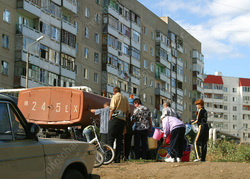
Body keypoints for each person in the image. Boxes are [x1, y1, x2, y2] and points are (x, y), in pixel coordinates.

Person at [108, 86, 129, 163]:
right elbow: (127, 112)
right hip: (122, 120)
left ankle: (109, 157)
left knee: (110, 138)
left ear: (114, 91)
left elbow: (112, 109)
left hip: (115, 119)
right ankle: (117, 159)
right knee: (119, 140)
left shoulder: (115, 97)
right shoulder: (125, 98)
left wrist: (110, 119)